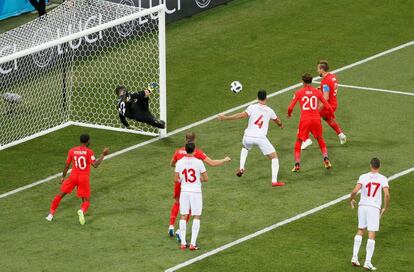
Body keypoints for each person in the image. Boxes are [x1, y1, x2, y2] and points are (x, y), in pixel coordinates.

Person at [168, 132, 231, 239]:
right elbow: (212, 163)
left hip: (179, 182)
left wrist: (181, 166)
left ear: (185, 139)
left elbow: (172, 164)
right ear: (195, 139)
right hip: (191, 186)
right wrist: (224, 160)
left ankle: (171, 226)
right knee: (190, 209)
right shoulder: (196, 152)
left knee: (177, 202)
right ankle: (179, 232)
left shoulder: (178, 151)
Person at [218, 90, 285, 187]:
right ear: (266, 98)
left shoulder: (252, 107)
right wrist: (281, 125)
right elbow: (277, 121)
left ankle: (241, 167)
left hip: (248, 136)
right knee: (274, 157)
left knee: (245, 148)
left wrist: (226, 117)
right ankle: (274, 181)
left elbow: (240, 115)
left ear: (257, 98)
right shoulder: (270, 110)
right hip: (261, 138)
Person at [45, 134, 109, 225]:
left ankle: (50, 215)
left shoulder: (72, 151)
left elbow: (67, 165)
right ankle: (81, 211)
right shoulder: (89, 152)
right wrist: (103, 154)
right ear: (88, 141)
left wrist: (63, 177)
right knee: (86, 201)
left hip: (73, 177)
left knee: (60, 195)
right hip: (83, 178)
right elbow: (95, 165)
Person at [349, 158, 390, 270]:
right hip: (374, 207)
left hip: (362, 206)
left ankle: (354, 257)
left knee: (360, 229)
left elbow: (354, 191)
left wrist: (351, 199)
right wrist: (385, 208)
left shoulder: (363, 176)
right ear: (379, 166)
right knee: (371, 233)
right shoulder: (383, 178)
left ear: (370, 165)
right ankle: (367, 262)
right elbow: (386, 195)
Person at [287, 73, 334, 172]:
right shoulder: (317, 92)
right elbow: (328, 106)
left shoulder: (298, 92)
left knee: (299, 141)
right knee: (320, 139)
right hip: (316, 119)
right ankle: (326, 158)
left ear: (303, 82)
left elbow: (290, 107)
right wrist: (332, 115)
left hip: (305, 120)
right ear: (311, 81)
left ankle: (297, 164)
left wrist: (289, 114)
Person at [301, 60, 347, 149]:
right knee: (327, 118)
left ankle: (307, 140)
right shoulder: (332, 77)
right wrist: (320, 88)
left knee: (309, 118)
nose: (317, 71)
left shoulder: (325, 81)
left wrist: (318, 109)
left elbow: (325, 98)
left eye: (318, 69)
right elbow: (330, 88)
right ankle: (341, 135)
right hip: (333, 104)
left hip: (327, 106)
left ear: (322, 69)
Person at [175, 142, 208, 250]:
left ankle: (183, 243)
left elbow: (176, 179)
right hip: (196, 192)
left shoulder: (179, 162)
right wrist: (199, 179)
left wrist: (184, 180)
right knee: (196, 216)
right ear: (194, 150)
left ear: (185, 149)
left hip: (184, 191)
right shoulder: (198, 162)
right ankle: (193, 244)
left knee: (183, 216)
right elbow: (206, 178)